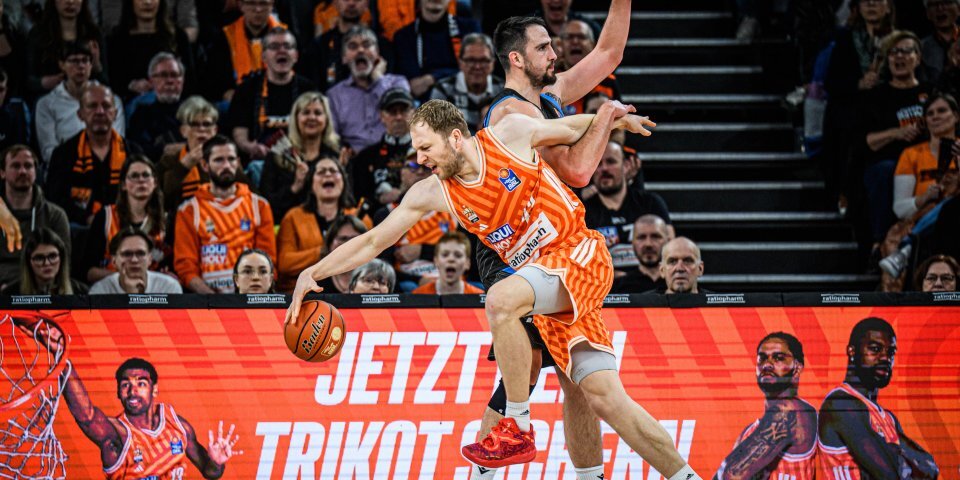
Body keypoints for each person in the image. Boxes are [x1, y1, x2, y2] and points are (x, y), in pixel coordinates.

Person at [286, 100, 701, 479]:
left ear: (454, 137)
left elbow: (572, 127)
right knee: (606, 398)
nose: (420, 159)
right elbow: (374, 240)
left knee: (501, 299)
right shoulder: (434, 192)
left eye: (426, 148)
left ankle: (517, 425)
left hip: (578, 253)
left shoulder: (510, 135)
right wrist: (313, 272)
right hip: (547, 286)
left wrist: (611, 119)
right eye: (416, 150)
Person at [475, 8, 633, 479]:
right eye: (543, 47)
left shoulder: (550, 96)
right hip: (513, 248)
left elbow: (609, 53)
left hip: (554, 246)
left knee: (576, 375)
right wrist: (606, 117)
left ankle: (590, 477)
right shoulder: (512, 112)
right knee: (524, 371)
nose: (554, 52)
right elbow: (578, 171)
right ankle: (483, 473)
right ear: (516, 59)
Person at [54, 356, 241, 478]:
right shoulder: (117, 435)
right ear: (118, 392)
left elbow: (210, 472)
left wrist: (216, 462)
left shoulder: (177, 425)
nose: (132, 391)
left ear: (155, 390)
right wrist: (64, 363)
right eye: (125, 385)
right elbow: (87, 417)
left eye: (141, 384)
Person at [818, 317, 939, 479]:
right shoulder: (841, 403)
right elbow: (888, 475)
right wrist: (900, 458)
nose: (885, 358)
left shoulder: (888, 419)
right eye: (875, 349)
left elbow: (930, 469)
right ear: (852, 351)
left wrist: (891, 453)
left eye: (891, 352)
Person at [174, 135, 276, 293]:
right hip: (207, 299)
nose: (227, 165)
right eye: (219, 160)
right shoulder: (189, 210)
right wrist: (212, 299)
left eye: (231, 159)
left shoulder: (259, 205)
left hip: (251, 297)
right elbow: (186, 266)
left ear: (238, 162)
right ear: (204, 165)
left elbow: (269, 260)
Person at [860, 30, 931, 247]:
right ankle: (881, 244)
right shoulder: (875, 96)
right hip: (889, 163)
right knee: (885, 171)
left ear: (918, 58)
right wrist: (896, 133)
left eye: (906, 51)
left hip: (925, 160)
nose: (899, 56)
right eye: (893, 52)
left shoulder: (931, 92)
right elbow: (867, 141)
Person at [714, 333, 817, 480]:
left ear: (797, 368)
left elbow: (730, 475)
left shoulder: (792, 412)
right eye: (762, 358)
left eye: (778, 358)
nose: (767, 364)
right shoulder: (749, 432)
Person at [46, 83, 139, 226]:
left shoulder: (133, 152)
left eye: (106, 106)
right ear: (80, 114)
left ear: (115, 113)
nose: (100, 111)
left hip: (125, 225)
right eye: (92, 106)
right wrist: (87, 218)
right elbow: (55, 200)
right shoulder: (63, 154)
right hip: (79, 228)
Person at [276, 156, 371, 292]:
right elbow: (285, 264)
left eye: (333, 171)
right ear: (311, 184)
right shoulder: (293, 217)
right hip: (304, 295)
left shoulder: (362, 219)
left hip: (351, 293)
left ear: (343, 181)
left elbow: (372, 257)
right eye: (321, 172)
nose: (327, 174)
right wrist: (324, 251)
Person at [226, 26, 315, 170]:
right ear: (263, 57)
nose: (282, 51)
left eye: (287, 46)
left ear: (296, 55)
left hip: (301, 159)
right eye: (274, 47)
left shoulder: (308, 89)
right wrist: (251, 147)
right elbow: (239, 134)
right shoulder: (246, 89)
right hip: (260, 162)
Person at [585, 141, 670, 274]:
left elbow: (671, 248)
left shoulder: (651, 203)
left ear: (626, 166)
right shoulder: (582, 210)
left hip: (647, 283)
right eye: (598, 163)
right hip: (604, 285)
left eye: (611, 162)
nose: (604, 169)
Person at [82, 155, 168, 283]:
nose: (141, 180)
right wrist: (124, 277)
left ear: (155, 182)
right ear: (123, 185)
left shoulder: (166, 221)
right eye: (134, 176)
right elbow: (88, 272)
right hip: (113, 287)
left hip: (151, 289)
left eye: (146, 175)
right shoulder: (106, 216)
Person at [35, 44, 125, 164]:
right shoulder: (46, 104)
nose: (81, 66)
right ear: (62, 65)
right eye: (74, 61)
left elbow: (118, 141)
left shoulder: (111, 100)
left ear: (91, 65)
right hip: (65, 166)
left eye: (85, 60)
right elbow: (49, 152)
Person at [326, 25, 410, 153]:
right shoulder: (334, 95)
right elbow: (333, 137)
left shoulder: (398, 83)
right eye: (353, 46)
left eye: (366, 45)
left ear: (377, 53)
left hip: (394, 154)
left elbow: (400, 115)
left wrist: (378, 79)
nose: (360, 50)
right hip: (354, 158)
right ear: (344, 58)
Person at [260, 91, 341, 220]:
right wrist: (295, 187)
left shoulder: (336, 155)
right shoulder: (277, 155)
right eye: (306, 112)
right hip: (287, 224)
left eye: (318, 113)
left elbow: (348, 201)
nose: (312, 117)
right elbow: (266, 206)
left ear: (326, 119)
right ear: (296, 118)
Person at [0, 145, 69, 291]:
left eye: (28, 166)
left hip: (42, 288)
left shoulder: (56, 215)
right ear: (2, 172)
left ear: (36, 172)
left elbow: (64, 263)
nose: (22, 171)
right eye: (16, 166)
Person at [105, 0, 193, 102]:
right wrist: (131, 86)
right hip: (132, 102)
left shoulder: (178, 37)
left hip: (173, 101)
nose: (147, 2)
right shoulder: (117, 39)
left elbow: (190, 80)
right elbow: (113, 81)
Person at [392, 0, 480, 99]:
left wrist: (432, 78)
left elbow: (476, 70)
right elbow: (415, 86)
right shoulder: (403, 37)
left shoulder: (469, 29)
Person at [893, 93, 960, 220]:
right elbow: (899, 209)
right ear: (926, 121)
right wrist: (924, 198)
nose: (935, 116)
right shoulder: (910, 154)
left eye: (942, 111)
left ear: (956, 116)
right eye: (930, 114)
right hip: (926, 222)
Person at [205, 0, 285, 101]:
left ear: (272, 5)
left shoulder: (286, 38)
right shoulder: (225, 38)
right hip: (238, 100)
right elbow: (215, 83)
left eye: (263, 3)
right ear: (241, 5)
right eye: (251, 3)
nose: (258, 9)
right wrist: (227, 93)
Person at [349, 88, 414, 213]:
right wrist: (379, 198)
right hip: (376, 219)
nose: (398, 117)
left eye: (404, 110)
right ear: (382, 116)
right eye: (392, 112)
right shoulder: (365, 157)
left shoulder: (427, 154)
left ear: (414, 113)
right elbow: (358, 199)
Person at [25, 0, 106, 98]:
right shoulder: (38, 34)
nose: (70, 2)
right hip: (49, 98)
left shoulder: (94, 33)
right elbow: (27, 80)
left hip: (87, 98)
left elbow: (106, 83)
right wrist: (43, 83)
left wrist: (96, 65)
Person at [429, 32, 504, 133]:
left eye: (483, 60)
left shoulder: (504, 90)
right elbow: (436, 133)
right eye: (471, 60)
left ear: (493, 63)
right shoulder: (443, 90)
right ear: (460, 62)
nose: (477, 67)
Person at [126, 52, 187, 162]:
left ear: (182, 81)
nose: (169, 81)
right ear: (151, 81)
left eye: (174, 75)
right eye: (163, 75)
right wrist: (165, 150)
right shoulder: (141, 114)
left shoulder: (195, 111)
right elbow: (137, 150)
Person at [89, 227, 182, 293]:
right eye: (127, 254)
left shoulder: (169, 288)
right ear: (114, 261)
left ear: (150, 259)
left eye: (140, 253)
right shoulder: (100, 291)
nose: (134, 260)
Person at [556, 19, 621, 115]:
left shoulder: (608, 81)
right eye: (569, 37)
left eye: (582, 37)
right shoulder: (552, 80)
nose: (575, 41)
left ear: (593, 45)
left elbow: (619, 121)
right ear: (560, 45)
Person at [5, 227, 86, 294]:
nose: (47, 263)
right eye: (39, 258)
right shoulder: (10, 294)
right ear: (28, 261)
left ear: (61, 258)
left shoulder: (81, 292)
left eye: (52, 256)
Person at [611, 214, 669, 293]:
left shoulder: (678, 284)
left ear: (668, 240)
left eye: (655, 237)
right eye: (641, 237)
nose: (648, 244)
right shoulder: (616, 288)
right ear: (632, 242)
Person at [412, 230, 484, 294]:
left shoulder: (479, 298)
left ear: (467, 263)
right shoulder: (418, 295)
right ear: (436, 261)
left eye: (458, 255)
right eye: (445, 255)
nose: (451, 259)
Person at [314, 214, 368, 293]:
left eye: (355, 238)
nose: (349, 244)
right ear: (330, 243)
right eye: (343, 238)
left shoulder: (377, 275)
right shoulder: (316, 280)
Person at [920, 0, 960, 83]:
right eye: (933, 4)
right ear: (927, 13)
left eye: (947, 2)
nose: (940, 8)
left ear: (958, 9)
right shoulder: (920, 49)